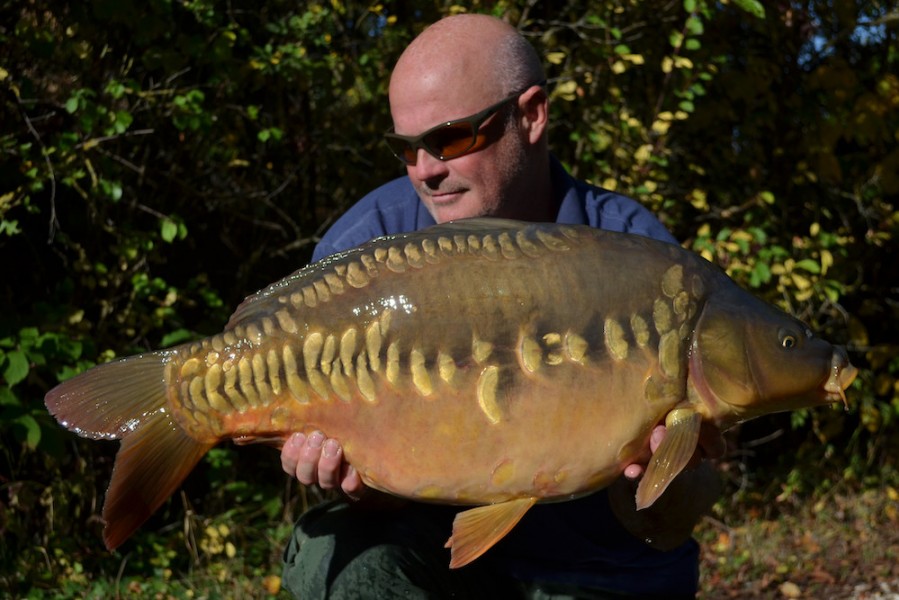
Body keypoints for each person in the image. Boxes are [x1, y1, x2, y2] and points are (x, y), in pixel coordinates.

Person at [280, 13, 723, 599]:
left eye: (451, 138)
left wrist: (670, 476)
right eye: (406, 150)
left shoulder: (639, 262)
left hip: (598, 569)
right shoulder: (365, 247)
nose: (426, 171)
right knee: (333, 552)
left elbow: (669, 526)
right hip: (440, 557)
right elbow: (357, 479)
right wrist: (357, 479)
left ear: (531, 115)